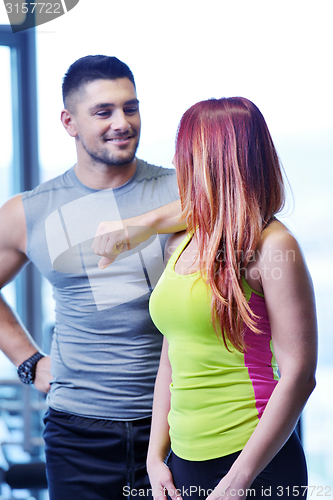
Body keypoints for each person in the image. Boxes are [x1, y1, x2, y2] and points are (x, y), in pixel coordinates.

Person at [0, 55, 185, 500]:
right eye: (103, 112)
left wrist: (146, 222)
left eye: (130, 107)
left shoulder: (182, 191)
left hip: (177, 423)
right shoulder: (31, 210)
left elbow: (249, 206)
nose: (122, 122)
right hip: (77, 432)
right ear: (69, 122)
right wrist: (29, 363)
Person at [147, 97, 317, 500]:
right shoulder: (183, 240)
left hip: (253, 460)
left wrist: (239, 481)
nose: (181, 164)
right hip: (184, 460)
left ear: (221, 159)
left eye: (188, 152)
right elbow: (172, 355)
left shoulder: (274, 247)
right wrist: (156, 456)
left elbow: (299, 374)